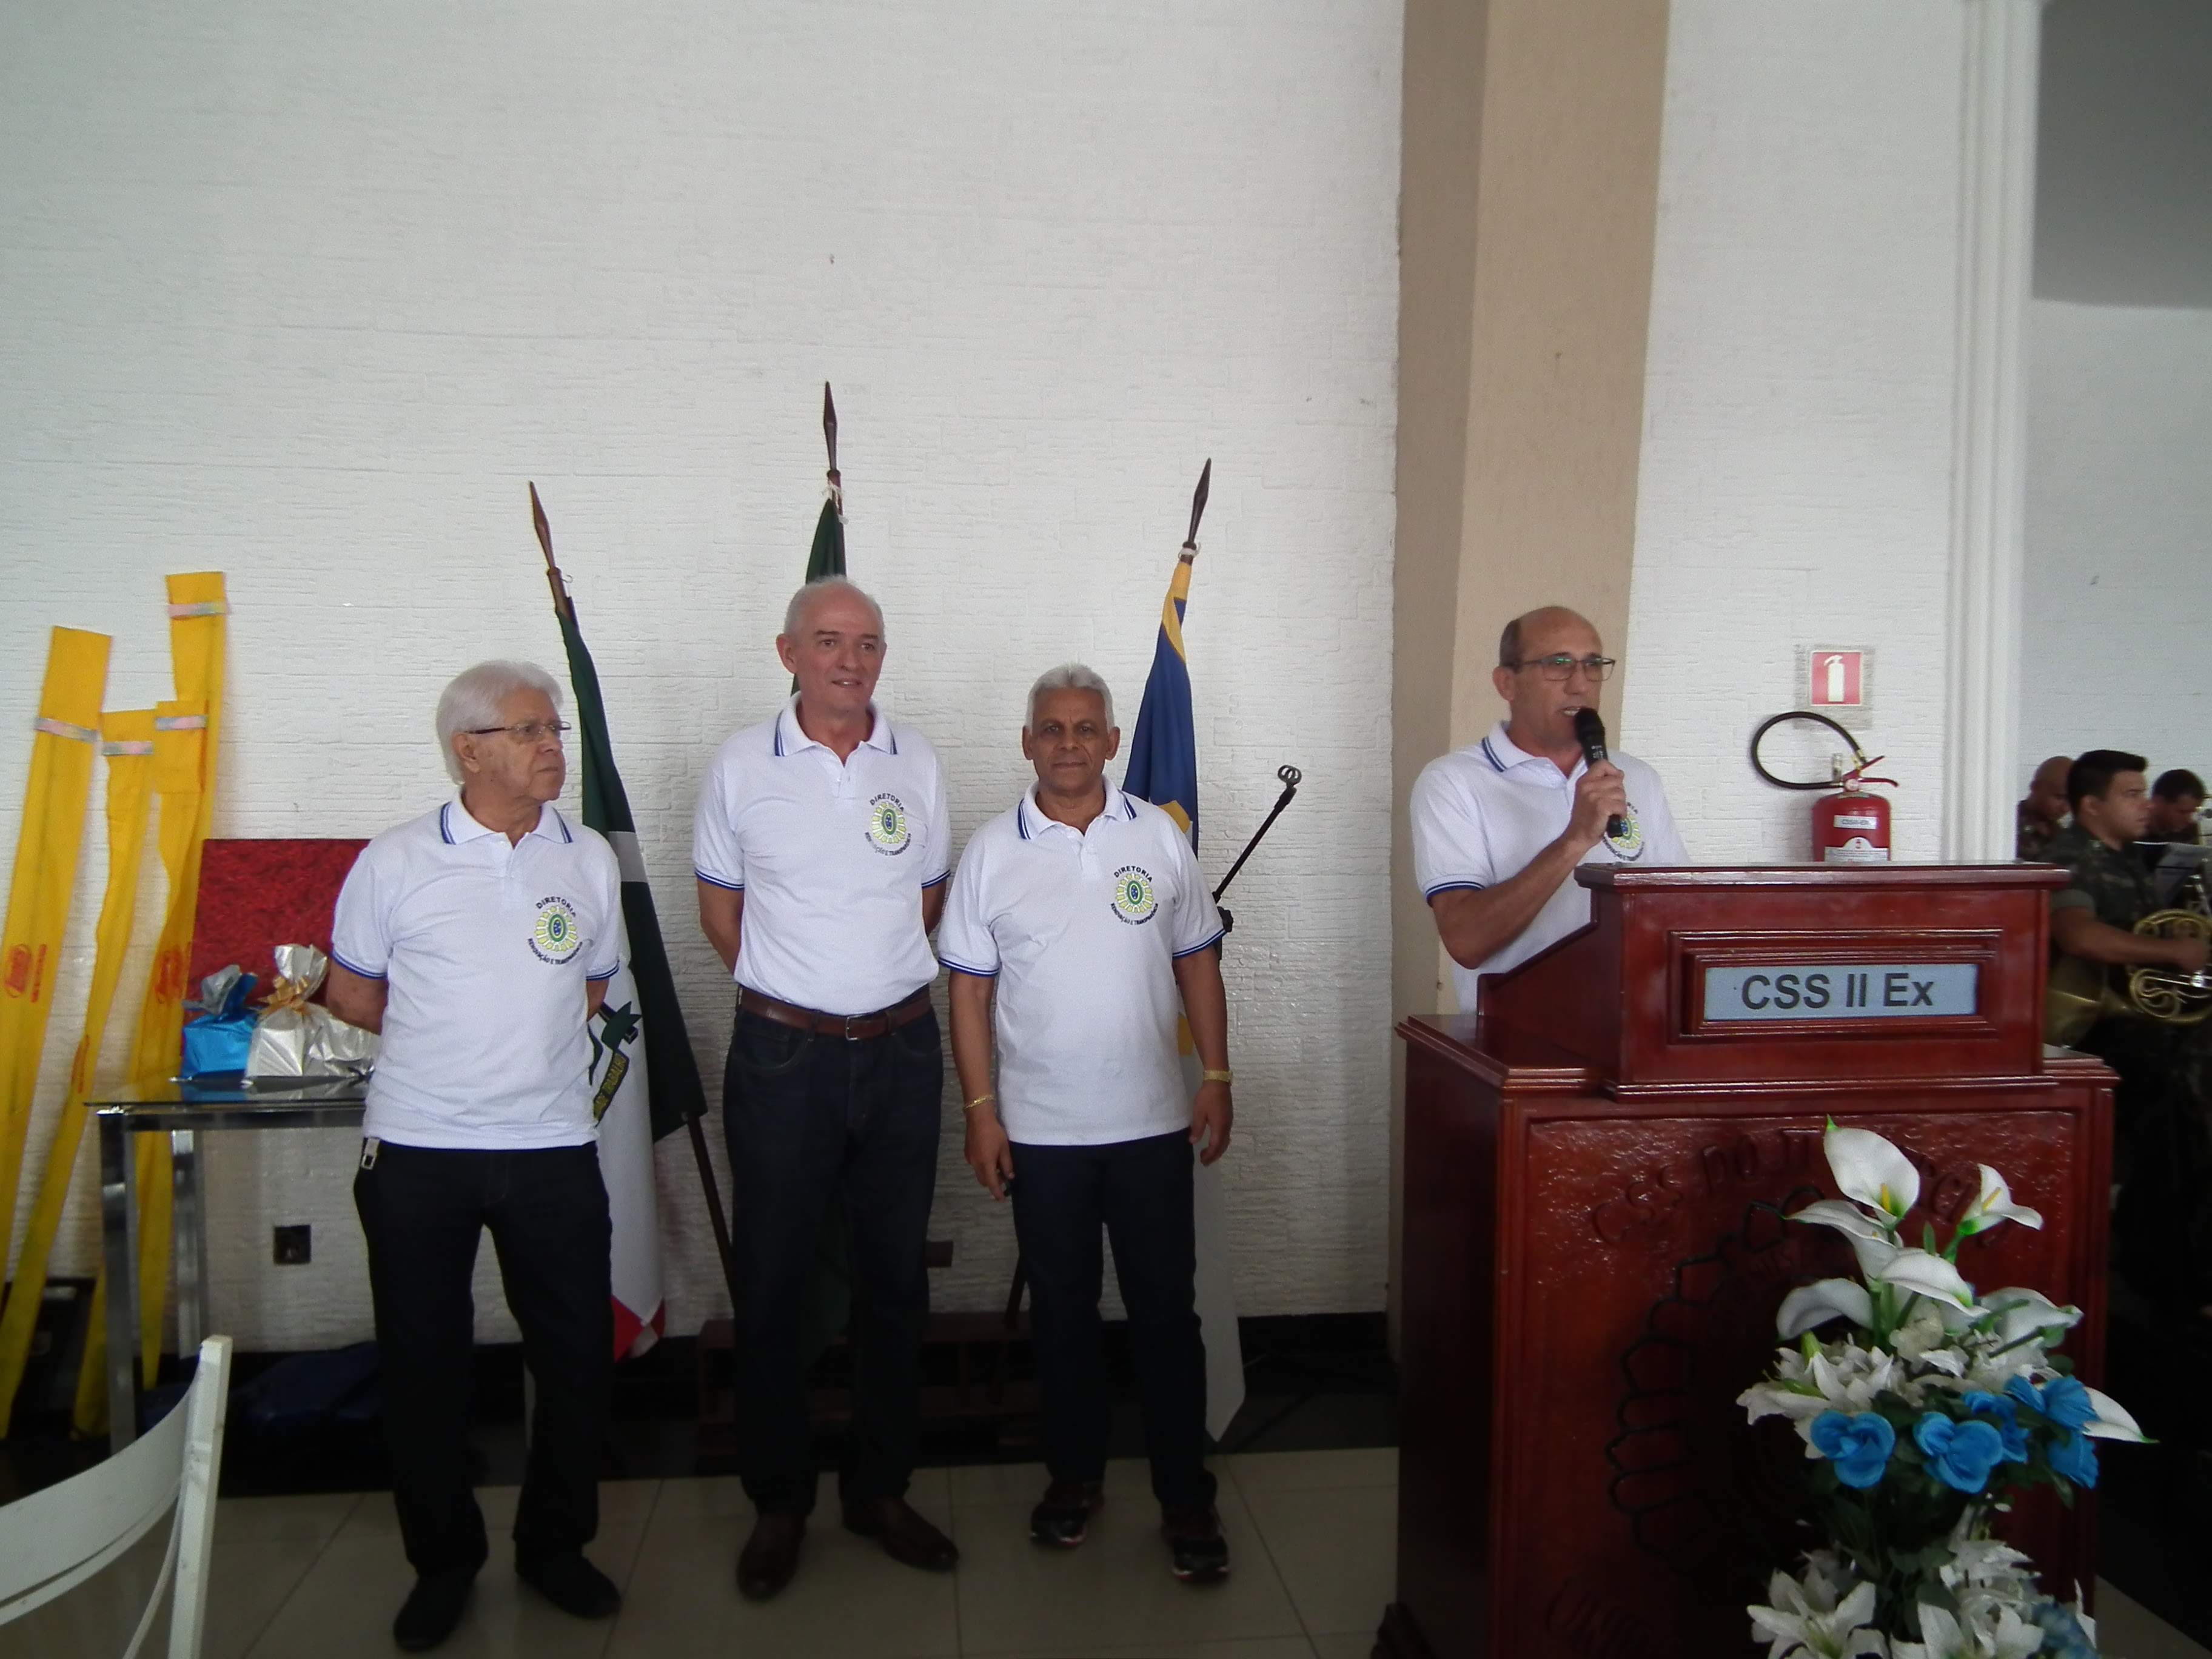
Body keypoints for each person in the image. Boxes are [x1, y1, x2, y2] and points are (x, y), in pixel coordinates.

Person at [326, 662, 625, 1652]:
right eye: (529, 729)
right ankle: (443, 1563)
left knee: (577, 1360)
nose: (552, 747)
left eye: (555, 728)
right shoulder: (396, 862)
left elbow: (589, 988)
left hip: (550, 1150)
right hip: (421, 1152)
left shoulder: (583, 858)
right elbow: (356, 998)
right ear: (470, 748)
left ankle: (553, 1547)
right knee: (426, 1372)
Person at [939, 664, 1233, 1581]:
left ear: (1112, 742)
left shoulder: (1160, 837)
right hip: (1041, 1132)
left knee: (1164, 1316)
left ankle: (1186, 1496)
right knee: (1063, 1318)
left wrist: (1217, 1074)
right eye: (1051, 728)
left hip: (1151, 1124)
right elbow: (968, 995)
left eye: (1086, 727)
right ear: (1026, 743)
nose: (1069, 743)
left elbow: (1197, 965)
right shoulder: (991, 852)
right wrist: (982, 1115)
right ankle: (1074, 1479)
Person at [692, 575, 956, 1600]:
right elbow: (722, 913)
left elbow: (924, 895)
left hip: (900, 1049)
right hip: (783, 1057)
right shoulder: (738, 765)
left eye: (868, 644)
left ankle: (879, 1489)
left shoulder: (917, 758)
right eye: (829, 642)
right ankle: (780, 1500)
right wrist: (800, 998)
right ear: (788, 651)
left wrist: (866, 984)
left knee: (895, 1277)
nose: (851, 661)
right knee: (774, 1278)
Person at [1409, 606, 1687, 1011]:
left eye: (1593, 665)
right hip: (1518, 1034)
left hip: (1631, 1027)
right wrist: (1575, 839)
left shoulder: (1636, 777)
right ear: (1507, 683)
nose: (1580, 685)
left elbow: (1676, 912)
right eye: (1558, 665)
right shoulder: (1454, 782)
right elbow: (1466, 941)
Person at [2043, 750, 2212, 1311]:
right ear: (2092, 806)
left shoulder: (2128, 859)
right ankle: (2164, 1278)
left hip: (2141, 1023)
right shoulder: (2071, 857)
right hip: (2098, 1029)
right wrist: (2175, 951)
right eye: (2132, 795)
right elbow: (2080, 938)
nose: (2145, 805)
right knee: (2171, 1125)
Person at [2016, 754, 2072, 862]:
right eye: (2059, 797)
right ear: (2035, 787)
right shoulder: (2007, 827)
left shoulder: (2066, 836)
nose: (2065, 808)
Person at [2144, 768, 2206, 846]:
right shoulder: (2133, 831)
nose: (2188, 819)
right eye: (2182, 812)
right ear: (2158, 802)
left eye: (2193, 812)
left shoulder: (2188, 831)